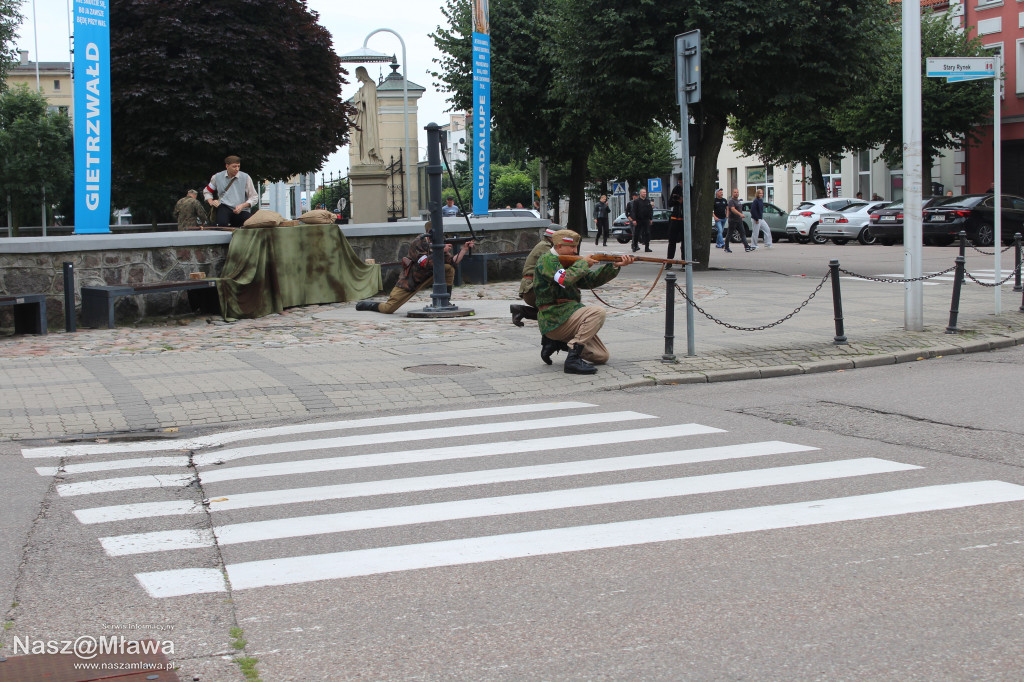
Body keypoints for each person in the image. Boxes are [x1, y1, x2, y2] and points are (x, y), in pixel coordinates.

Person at [533, 230, 635, 374]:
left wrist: (615, 266)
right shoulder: (547, 260)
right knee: (597, 312)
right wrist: (583, 264)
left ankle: (558, 342)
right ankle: (572, 360)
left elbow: (590, 281)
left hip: (569, 316)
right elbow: (565, 279)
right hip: (554, 317)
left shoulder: (569, 261)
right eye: (572, 247)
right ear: (559, 246)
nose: (575, 251)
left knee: (601, 356)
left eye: (576, 247)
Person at [355, 224, 474, 314]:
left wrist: (464, 249)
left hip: (430, 276)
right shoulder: (418, 242)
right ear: (428, 233)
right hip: (412, 280)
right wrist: (440, 251)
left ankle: (445, 300)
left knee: (448, 268)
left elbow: (452, 262)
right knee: (389, 308)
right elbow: (423, 263)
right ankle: (369, 305)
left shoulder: (439, 242)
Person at [510, 226, 557, 327]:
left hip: (533, 287)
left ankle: (520, 311)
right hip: (532, 288)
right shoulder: (546, 247)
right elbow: (553, 267)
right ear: (553, 238)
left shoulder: (546, 245)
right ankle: (521, 311)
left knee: (556, 311)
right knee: (559, 311)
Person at [203, 155, 258, 228]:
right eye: (234, 166)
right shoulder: (217, 177)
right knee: (221, 225)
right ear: (227, 166)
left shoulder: (246, 177)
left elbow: (254, 197)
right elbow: (207, 191)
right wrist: (211, 202)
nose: (237, 169)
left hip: (241, 210)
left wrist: (243, 206)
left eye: (238, 166)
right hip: (224, 207)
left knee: (250, 224)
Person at [353, 67, 382, 166]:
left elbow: (367, 101)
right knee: (362, 137)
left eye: (356, 73)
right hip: (363, 116)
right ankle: (366, 158)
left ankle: (369, 158)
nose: (356, 76)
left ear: (361, 73)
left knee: (367, 137)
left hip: (367, 118)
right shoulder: (365, 86)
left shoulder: (370, 85)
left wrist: (358, 97)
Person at [725, 188, 751, 253]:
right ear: (732, 193)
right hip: (733, 220)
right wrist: (740, 214)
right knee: (729, 234)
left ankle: (746, 246)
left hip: (739, 220)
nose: (736, 193)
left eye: (737, 192)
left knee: (742, 233)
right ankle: (726, 247)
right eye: (735, 192)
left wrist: (741, 215)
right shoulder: (731, 201)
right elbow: (733, 209)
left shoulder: (738, 201)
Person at [629, 187, 653, 253]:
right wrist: (634, 220)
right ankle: (635, 246)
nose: (644, 194)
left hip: (646, 219)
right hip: (638, 219)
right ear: (640, 193)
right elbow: (633, 211)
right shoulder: (636, 201)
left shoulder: (648, 201)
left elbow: (650, 210)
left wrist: (650, 218)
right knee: (637, 234)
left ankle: (647, 247)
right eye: (643, 192)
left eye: (645, 192)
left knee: (647, 233)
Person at [667, 180, 684, 266]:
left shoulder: (690, 189)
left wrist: (682, 201)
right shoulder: (676, 189)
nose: (680, 184)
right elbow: (670, 203)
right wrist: (676, 200)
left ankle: (684, 262)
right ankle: (669, 261)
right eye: (679, 182)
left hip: (685, 219)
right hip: (675, 217)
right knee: (672, 241)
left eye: (682, 182)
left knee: (684, 242)